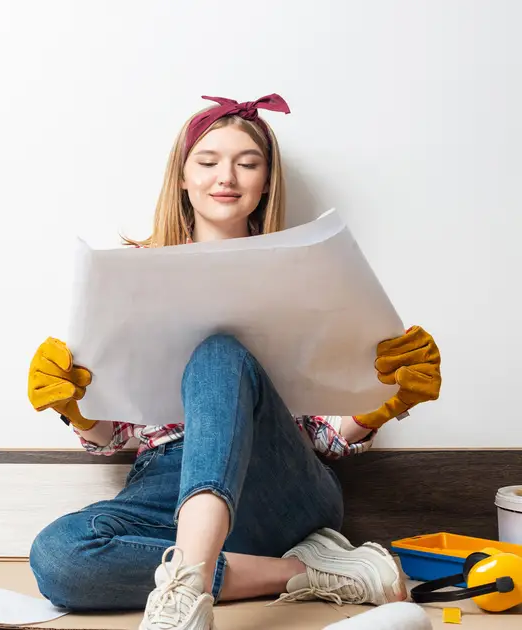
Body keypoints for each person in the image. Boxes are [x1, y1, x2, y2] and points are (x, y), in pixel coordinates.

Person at [24, 94, 443, 630]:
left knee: (218, 355)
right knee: (59, 558)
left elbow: (322, 436)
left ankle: (185, 594)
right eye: (208, 161)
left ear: (266, 181)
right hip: (166, 483)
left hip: (276, 485)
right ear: (182, 176)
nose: (227, 176)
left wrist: (389, 401)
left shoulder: (306, 273)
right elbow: (117, 435)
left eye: (247, 163)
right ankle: (305, 573)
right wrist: (78, 408)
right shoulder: (132, 276)